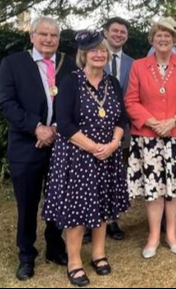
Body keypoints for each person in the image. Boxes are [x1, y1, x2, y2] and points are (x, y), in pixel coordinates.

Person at [42, 30, 130, 287]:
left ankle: (98, 254)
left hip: (107, 156)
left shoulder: (112, 82)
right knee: (76, 213)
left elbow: (121, 118)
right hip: (77, 157)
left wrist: (113, 143)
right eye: (94, 50)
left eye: (103, 50)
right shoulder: (70, 82)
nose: (100, 54)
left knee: (102, 206)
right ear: (84, 54)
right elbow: (66, 125)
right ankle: (73, 262)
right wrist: (95, 147)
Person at [0, 16, 76, 281]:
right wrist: (36, 127)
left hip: (60, 145)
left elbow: (74, 103)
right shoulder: (12, 64)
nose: (48, 40)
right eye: (43, 34)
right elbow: (7, 103)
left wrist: (55, 128)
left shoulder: (68, 65)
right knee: (27, 204)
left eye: (53, 36)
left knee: (58, 200)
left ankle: (54, 247)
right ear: (31, 36)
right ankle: (26, 255)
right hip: (26, 146)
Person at [125, 17, 176, 259]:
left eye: (168, 34)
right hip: (148, 138)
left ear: (175, 38)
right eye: (159, 34)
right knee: (153, 188)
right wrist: (152, 122)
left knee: (174, 188)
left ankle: (171, 234)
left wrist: (175, 120)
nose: (163, 38)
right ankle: (153, 236)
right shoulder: (138, 65)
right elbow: (130, 100)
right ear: (152, 38)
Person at [99, 16, 134, 242]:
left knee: (116, 175)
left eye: (123, 32)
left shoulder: (133, 63)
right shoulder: (94, 56)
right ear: (105, 32)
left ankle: (113, 220)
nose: (119, 35)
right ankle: (90, 219)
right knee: (93, 175)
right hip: (95, 127)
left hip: (124, 126)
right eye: (115, 31)